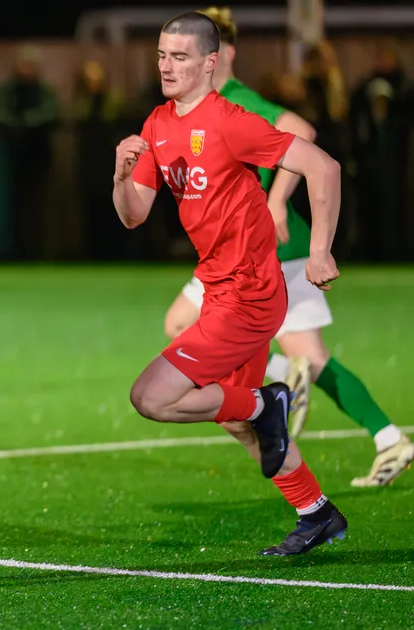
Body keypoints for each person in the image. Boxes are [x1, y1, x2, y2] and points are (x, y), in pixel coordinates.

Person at [113, 12, 346, 555]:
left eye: (181, 57)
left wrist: (319, 251)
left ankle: (267, 404)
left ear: (209, 63)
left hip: (249, 295)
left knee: (151, 396)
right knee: (240, 421)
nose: (167, 66)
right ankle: (316, 512)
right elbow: (132, 216)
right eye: (162, 56)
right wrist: (122, 176)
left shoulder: (229, 121)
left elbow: (323, 166)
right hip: (219, 288)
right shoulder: (157, 124)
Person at [163, 7, 413, 488]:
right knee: (313, 358)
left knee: (181, 324)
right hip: (258, 250)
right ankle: (388, 438)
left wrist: (276, 200)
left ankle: (281, 381)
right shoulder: (199, 105)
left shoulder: (233, 100)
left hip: (259, 252)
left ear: (222, 54)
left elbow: (304, 132)